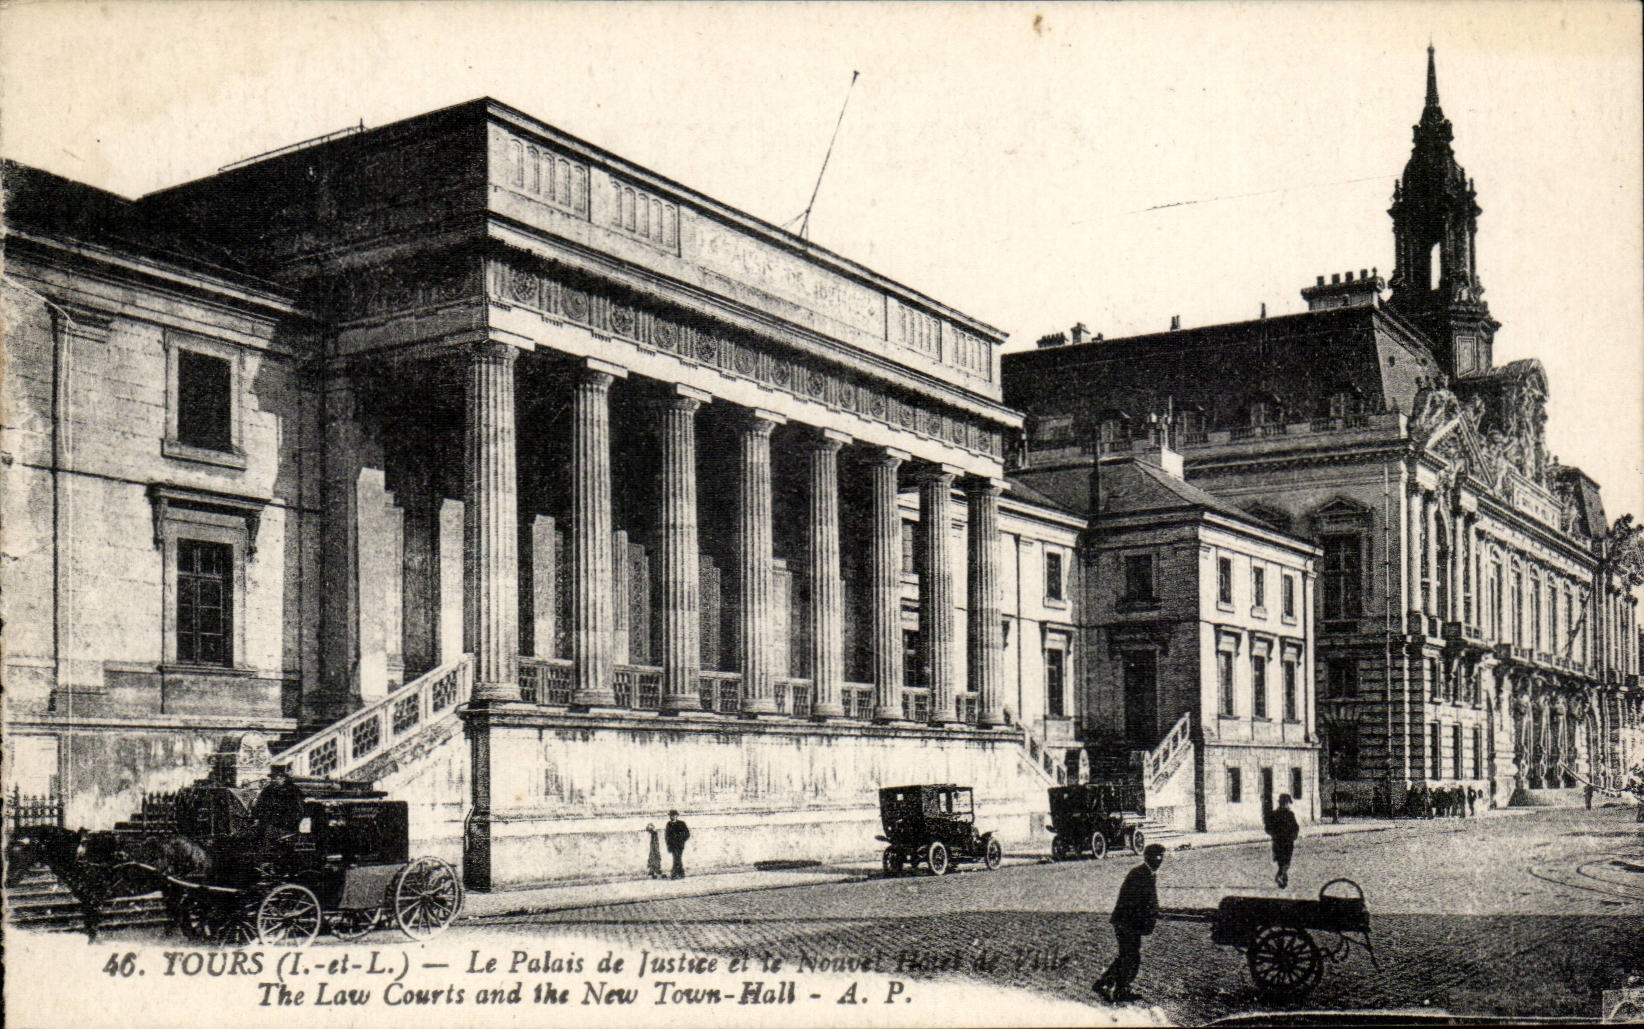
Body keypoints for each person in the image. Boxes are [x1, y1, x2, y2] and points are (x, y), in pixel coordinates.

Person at [1093, 843, 1166, 1003]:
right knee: (1131, 957)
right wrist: (1148, 917)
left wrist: (1154, 911)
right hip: (1126, 922)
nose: (1160, 860)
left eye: (1161, 857)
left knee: (1128, 956)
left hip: (1129, 922)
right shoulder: (1140, 874)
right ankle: (1117, 988)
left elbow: (1149, 900)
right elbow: (1134, 902)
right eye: (1157, 857)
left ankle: (1109, 984)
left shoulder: (1147, 873)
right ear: (1148, 858)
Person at [1265, 793, 1300, 888]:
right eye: (1287, 803)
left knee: (1282, 862)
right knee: (1285, 862)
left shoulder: (1285, 814)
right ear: (1283, 803)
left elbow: (1295, 827)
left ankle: (1283, 879)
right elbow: (1268, 828)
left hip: (1281, 841)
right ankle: (1281, 876)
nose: (1288, 805)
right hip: (1284, 841)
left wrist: (1294, 834)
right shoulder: (1286, 814)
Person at [664, 810, 690, 879]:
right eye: (671, 815)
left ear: (677, 816)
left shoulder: (681, 823)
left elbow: (687, 834)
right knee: (677, 858)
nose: (672, 817)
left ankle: (675, 873)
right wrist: (668, 845)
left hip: (679, 845)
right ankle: (680, 873)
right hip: (672, 845)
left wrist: (682, 840)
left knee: (677, 858)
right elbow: (667, 836)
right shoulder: (669, 824)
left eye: (674, 815)